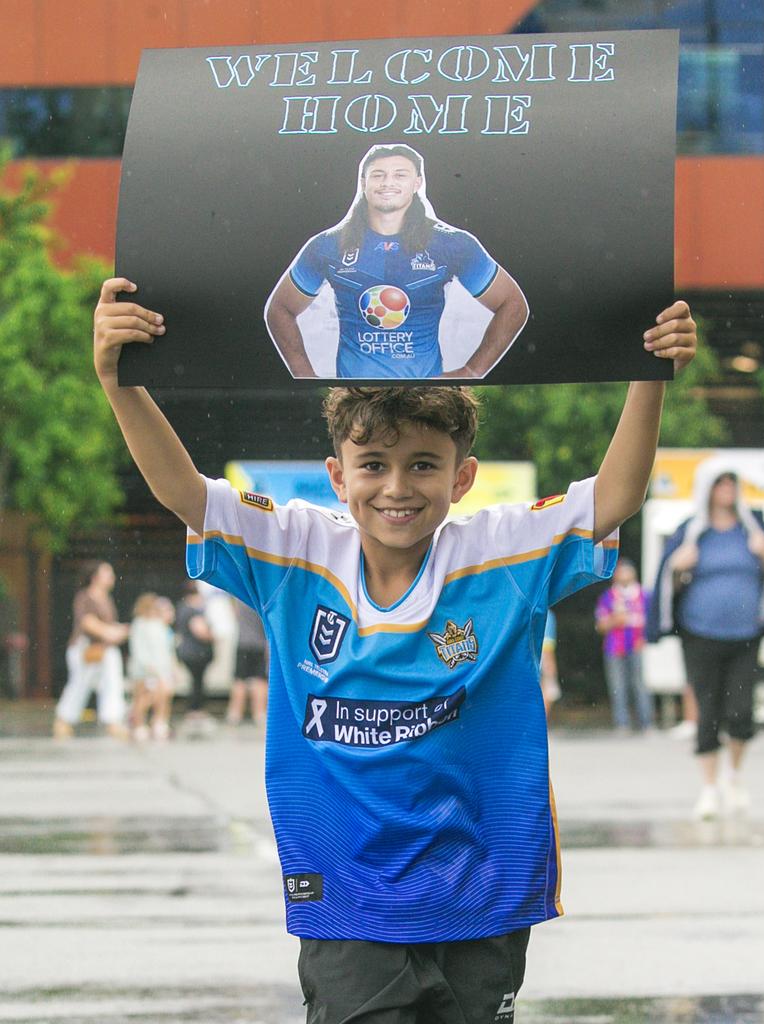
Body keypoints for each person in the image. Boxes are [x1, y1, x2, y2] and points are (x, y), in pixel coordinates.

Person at [93, 276, 695, 1023]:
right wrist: (120, 385)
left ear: (461, 476)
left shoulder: (501, 553)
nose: (395, 488)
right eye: (373, 464)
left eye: (422, 465)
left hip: (483, 895)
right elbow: (187, 492)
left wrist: (648, 371)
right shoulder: (295, 550)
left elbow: (614, 496)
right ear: (337, 476)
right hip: (348, 902)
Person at [265, 143, 529, 380]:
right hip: (356, 402)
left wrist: (472, 371)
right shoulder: (327, 245)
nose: (387, 183)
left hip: (425, 402)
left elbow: (513, 304)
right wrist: (304, 377)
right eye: (378, 175)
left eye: (400, 174)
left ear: (417, 182)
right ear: (363, 183)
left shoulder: (452, 244)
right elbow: (280, 309)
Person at [648, 463, 764, 819]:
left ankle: (734, 776)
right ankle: (710, 788)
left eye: (733, 482)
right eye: (721, 483)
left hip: (746, 634)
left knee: (742, 711)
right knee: (708, 711)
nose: (728, 489)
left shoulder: (755, 527)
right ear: (708, 489)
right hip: (700, 634)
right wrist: (678, 567)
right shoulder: (691, 532)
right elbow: (669, 578)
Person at [53, 561, 129, 740]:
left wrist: (118, 630)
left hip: (106, 649)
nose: (112, 577)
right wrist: (110, 632)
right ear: (95, 577)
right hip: (86, 648)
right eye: (107, 573)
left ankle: (113, 721)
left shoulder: (106, 598)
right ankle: (64, 720)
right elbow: (87, 622)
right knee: (80, 683)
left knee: (112, 683)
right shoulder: (85, 597)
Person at [595, 557, 653, 733]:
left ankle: (646, 723)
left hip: (638, 645)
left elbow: (652, 621)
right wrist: (614, 620)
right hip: (614, 646)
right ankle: (622, 723)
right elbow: (600, 625)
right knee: (617, 686)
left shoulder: (644, 595)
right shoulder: (608, 597)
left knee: (640, 684)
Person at [127, 592, 175, 741]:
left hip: (160, 668)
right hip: (144, 669)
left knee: (163, 694)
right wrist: (149, 666)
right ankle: (138, 723)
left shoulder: (159, 625)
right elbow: (139, 649)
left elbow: (167, 649)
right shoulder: (140, 624)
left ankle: (159, 722)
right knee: (144, 696)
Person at [174, 581, 215, 736]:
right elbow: (200, 631)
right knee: (197, 682)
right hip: (196, 653)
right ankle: (195, 710)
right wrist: (213, 636)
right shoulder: (192, 611)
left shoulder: (182, 608)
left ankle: (195, 709)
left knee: (195, 681)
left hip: (188, 652)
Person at [227, 600, 269, 726]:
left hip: (242, 643)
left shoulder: (239, 600)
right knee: (260, 680)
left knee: (239, 679)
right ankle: (260, 714)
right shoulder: (259, 602)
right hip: (259, 644)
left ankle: (234, 714)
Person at [539, 610, 561, 718]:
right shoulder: (547, 615)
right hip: (541, 664)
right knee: (547, 693)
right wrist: (551, 674)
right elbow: (547, 649)